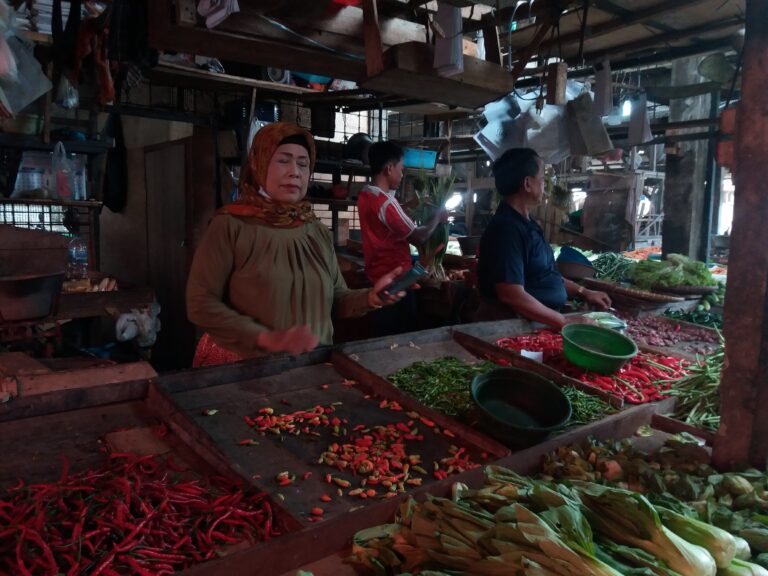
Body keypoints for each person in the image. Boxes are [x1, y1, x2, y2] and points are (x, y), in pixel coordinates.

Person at [186, 123, 406, 367]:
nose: (294, 172)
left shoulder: (315, 231)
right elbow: (200, 303)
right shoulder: (231, 225)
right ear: (259, 164)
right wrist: (265, 338)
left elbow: (336, 299)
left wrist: (371, 298)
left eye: (303, 164)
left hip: (308, 370)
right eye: (283, 161)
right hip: (244, 371)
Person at [477, 148, 611, 329]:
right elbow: (511, 294)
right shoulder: (507, 230)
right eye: (542, 179)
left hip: (538, 322)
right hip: (513, 327)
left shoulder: (528, 223)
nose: (545, 185)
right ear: (527, 184)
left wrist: (583, 291)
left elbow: (545, 274)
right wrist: (563, 321)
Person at [357, 141, 447, 335]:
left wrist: (409, 205)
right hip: (395, 281)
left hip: (376, 274)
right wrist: (438, 217)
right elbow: (419, 237)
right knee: (398, 333)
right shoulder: (385, 202)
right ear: (389, 169)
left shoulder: (366, 194)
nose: (402, 174)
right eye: (401, 169)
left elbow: (386, 221)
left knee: (383, 332)